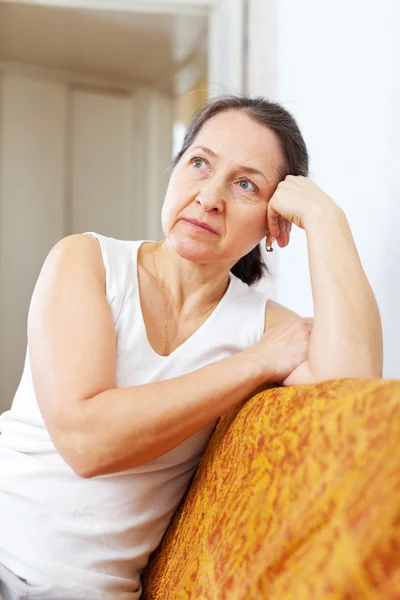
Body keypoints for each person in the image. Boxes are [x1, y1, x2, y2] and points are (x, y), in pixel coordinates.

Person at [0, 96, 383, 599]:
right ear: (175, 170)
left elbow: (351, 392)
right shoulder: (86, 259)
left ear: (275, 223)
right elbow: (86, 441)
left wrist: (327, 219)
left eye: (245, 184)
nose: (208, 198)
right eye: (200, 164)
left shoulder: (260, 324)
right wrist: (256, 363)